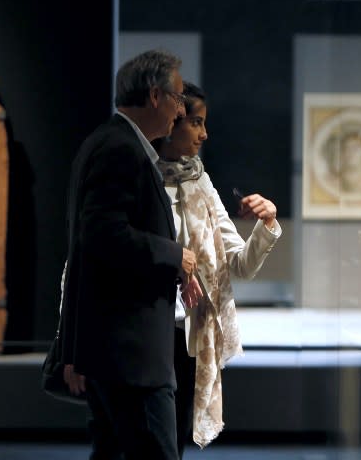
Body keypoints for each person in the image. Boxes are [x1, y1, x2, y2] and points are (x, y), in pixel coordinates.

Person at [60, 49, 203, 460]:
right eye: (177, 99)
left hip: (119, 350)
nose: (179, 111)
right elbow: (102, 234)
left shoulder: (111, 142)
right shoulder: (120, 148)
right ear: (155, 97)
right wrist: (174, 254)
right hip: (130, 355)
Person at [152, 82, 282, 455]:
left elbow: (239, 265)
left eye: (204, 123)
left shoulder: (200, 182)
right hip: (147, 328)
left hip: (191, 331)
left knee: (172, 439)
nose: (203, 134)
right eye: (195, 122)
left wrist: (267, 224)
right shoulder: (143, 178)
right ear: (171, 123)